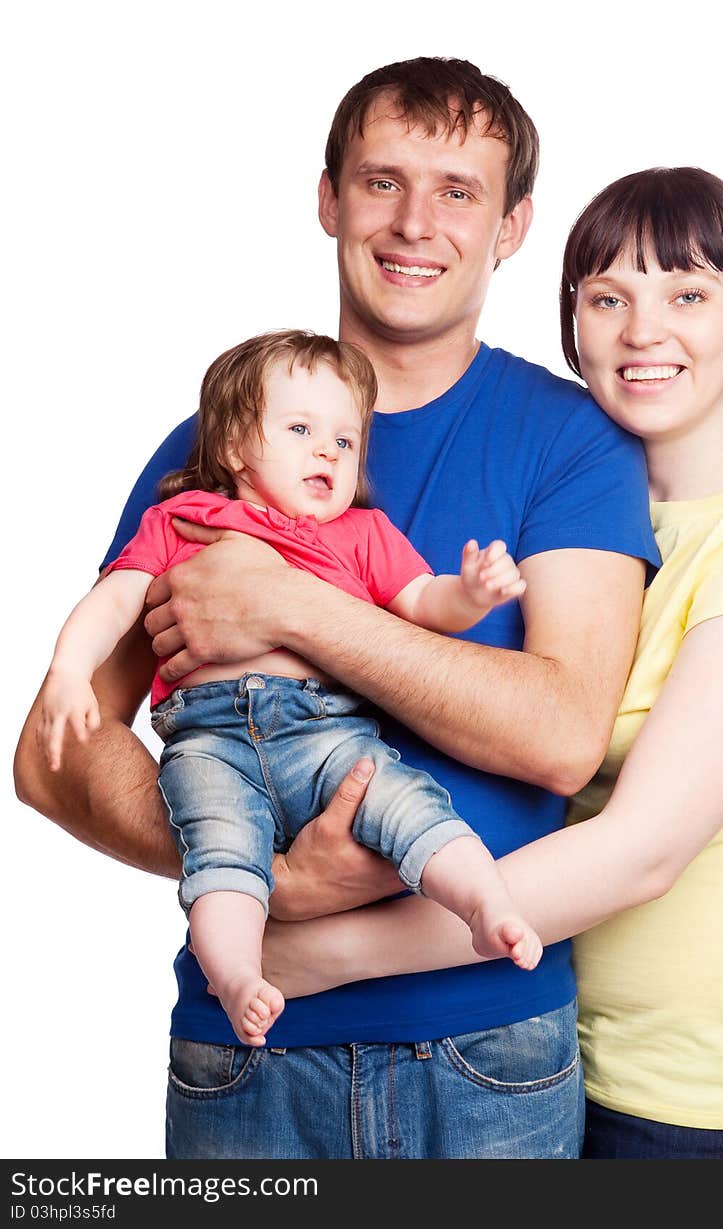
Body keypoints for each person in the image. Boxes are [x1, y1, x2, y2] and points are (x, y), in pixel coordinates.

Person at [14, 58, 659, 1159]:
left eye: (459, 191)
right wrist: (250, 869)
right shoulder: (206, 453)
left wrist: (290, 606)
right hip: (246, 1049)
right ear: (328, 199)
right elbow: (52, 755)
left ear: (511, 227)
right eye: (381, 181)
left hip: (488, 1051)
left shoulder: (571, 438)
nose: (416, 222)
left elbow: (559, 736)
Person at [254, 167, 723, 1161]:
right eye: (605, 297)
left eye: (687, 294)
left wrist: (317, 951)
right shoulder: (587, 522)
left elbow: (640, 849)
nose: (642, 331)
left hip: (704, 1107)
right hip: (546, 1054)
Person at [38, 327, 543, 1048]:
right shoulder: (183, 520)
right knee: (219, 852)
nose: (327, 452)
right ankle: (242, 972)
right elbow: (117, 600)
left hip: (327, 732)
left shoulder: (361, 533)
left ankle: (486, 905)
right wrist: (66, 667)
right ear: (236, 447)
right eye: (301, 429)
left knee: (407, 803)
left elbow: (422, 602)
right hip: (209, 741)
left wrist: (470, 592)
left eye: (344, 440)